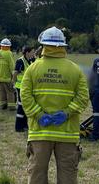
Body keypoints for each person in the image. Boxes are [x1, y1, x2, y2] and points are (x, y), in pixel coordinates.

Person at [21, 26, 89, 184]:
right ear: (63, 46)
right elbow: (83, 97)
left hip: (40, 132)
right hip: (67, 133)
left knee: (37, 174)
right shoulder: (75, 69)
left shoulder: (32, 68)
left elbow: (25, 95)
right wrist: (67, 113)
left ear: (43, 45)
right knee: (68, 175)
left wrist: (38, 114)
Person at [13, 46, 35, 132]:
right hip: (20, 87)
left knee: (27, 106)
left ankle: (25, 125)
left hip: (28, 88)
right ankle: (18, 127)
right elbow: (15, 73)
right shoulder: (20, 61)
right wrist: (14, 84)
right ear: (27, 52)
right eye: (32, 52)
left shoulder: (32, 60)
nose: (33, 54)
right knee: (21, 107)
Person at [0, 38, 15, 110]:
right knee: (10, 92)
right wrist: (13, 76)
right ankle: (11, 106)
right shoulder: (9, 53)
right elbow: (12, 66)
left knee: (2, 93)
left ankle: (3, 105)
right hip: (7, 77)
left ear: (1, 45)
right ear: (9, 46)